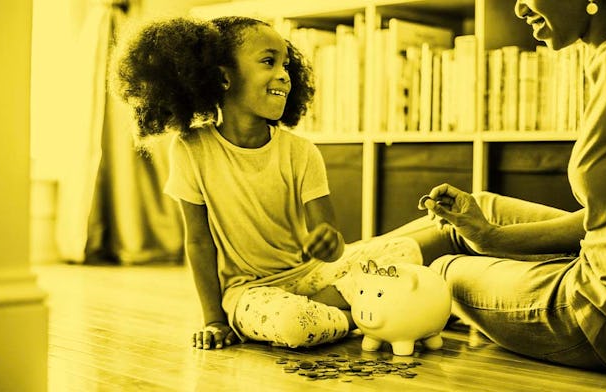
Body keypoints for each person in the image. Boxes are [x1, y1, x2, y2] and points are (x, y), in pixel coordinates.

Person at [398, 0, 606, 383]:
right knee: (480, 210)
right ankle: (322, 278)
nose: (519, 8)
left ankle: (323, 294)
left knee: (442, 271)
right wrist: (490, 237)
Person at [113, 16, 421, 351]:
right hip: (250, 292)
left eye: (286, 64)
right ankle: (361, 314)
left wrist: (327, 242)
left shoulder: (301, 151)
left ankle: (343, 310)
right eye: (268, 62)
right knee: (292, 325)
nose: (284, 75)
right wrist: (214, 320)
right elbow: (199, 244)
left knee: (403, 250)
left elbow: (331, 239)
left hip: (312, 275)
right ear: (222, 77)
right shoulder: (190, 149)